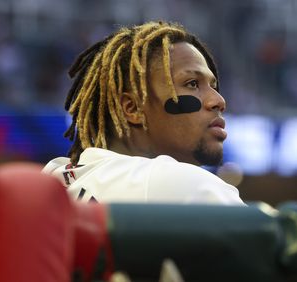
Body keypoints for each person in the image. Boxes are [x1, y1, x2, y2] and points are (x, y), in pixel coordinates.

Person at [43, 21, 244, 205]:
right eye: (192, 84)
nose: (218, 101)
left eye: (214, 86)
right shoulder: (181, 184)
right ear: (133, 109)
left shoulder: (53, 179)